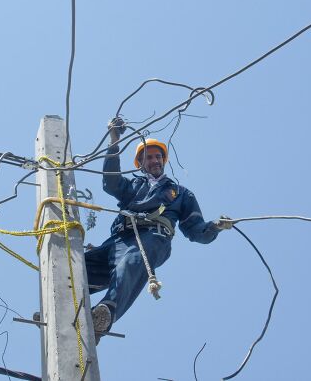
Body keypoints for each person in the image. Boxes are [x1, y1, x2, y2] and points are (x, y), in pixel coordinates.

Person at [86, 118, 233, 339]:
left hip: (152, 238)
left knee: (132, 262)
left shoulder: (181, 194)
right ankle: (62, 305)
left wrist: (215, 226)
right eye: (149, 157)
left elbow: (196, 231)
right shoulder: (134, 186)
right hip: (118, 240)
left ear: (163, 160)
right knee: (78, 267)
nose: (155, 161)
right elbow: (111, 183)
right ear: (140, 162)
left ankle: (105, 312)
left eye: (158, 156)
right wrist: (114, 139)